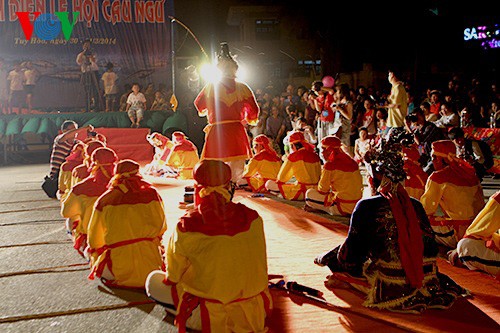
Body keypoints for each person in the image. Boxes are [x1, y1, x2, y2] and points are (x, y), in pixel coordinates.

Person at [314, 134, 468, 314]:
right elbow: (430, 248)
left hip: (391, 280)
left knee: (340, 262)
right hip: (427, 276)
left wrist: (334, 259)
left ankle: (351, 283)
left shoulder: (366, 205)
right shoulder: (416, 204)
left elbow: (352, 255)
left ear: (373, 179)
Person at [145, 160, 272, 332]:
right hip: (253, 313)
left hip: (208, 315)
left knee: (154, 280)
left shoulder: (187, 224)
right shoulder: (254, 217)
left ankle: (189, 314)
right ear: (229, 185)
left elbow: (173, 275)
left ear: (197, 187)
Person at [87, 160, 167, 288]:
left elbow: (94, 241)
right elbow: (162, 228)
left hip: (118, 264)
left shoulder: (105, 200)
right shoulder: (152, 194)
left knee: (89, 251)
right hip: (151, 263)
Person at [194, 42, 259, 183]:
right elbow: (254, 110)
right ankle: (232, 187)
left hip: (217, 130)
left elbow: (199, 104)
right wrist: (248, 119)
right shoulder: (243, 88)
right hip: (236, 130)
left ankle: (217, 189)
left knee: (215, 163)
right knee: (236, 165)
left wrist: (209, 111)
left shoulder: (211, 86)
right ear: (235, 69)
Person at [420, 140, 485, 248]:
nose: (432, 161)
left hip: (457, 233)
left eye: (433, 157)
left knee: (416, 222)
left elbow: (426, 209)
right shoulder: (469, 173)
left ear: (439, 159)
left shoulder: (437, 177)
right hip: (478, 229)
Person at [61, 147, 118, 256]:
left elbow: (66, 212)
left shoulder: (80, 185)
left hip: (102, 248)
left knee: (71, 218)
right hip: (143, 251)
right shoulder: (126, 188)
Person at [305, 136, 363, 216]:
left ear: (329, 150)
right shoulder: (353, 162)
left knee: (309, 194)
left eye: (323, 149)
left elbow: (322, 190)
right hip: (356, 205)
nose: (321, 153)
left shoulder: (330, 165)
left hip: (340, 206)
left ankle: (326, 209)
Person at [450, 190, 500, 277]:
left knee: (464, 245)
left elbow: (479, 230)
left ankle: (460, 257)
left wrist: (458, 251)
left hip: (456, 229)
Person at [265, 131, 321, 200]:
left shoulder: (293, 157)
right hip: (314, 192)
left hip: (301, 192)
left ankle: (282, 194)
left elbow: (281, 178)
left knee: (269, 184)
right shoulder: (315, 156)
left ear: (293, 145)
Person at [76, 40, 100, 112]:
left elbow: (94, 60)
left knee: (95, 90)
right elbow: (79, 61)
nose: (87, 46)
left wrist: (90, 55)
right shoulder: (80, 54)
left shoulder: (93, 53)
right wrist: (84, 52)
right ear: (83, 46)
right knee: (87, 90)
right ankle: (87, 108)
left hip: (94, 72)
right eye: (85, 45)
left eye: (88, 45)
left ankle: (96, 108)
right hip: (85, 73)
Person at [385, 70, 408, 138]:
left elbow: (396, 105)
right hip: (392, 121)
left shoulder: (398, 88)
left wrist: (382, 106)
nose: (388, 77)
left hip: (397, 122)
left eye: (389, 75)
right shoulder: (394, 87)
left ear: (392, 75)